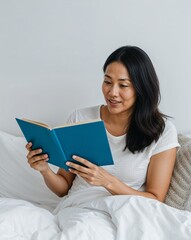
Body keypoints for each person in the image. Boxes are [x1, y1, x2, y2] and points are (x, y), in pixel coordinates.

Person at [26, 45, 180, 205]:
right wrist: (44, 170)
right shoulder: (80, 118)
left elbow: (156, 199)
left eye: (123, 85)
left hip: (126, 212)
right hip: (79, 209)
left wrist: (107, 181)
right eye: (107, 82)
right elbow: (63, 188)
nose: (112, 92)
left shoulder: (163, 131)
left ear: (141, 88)